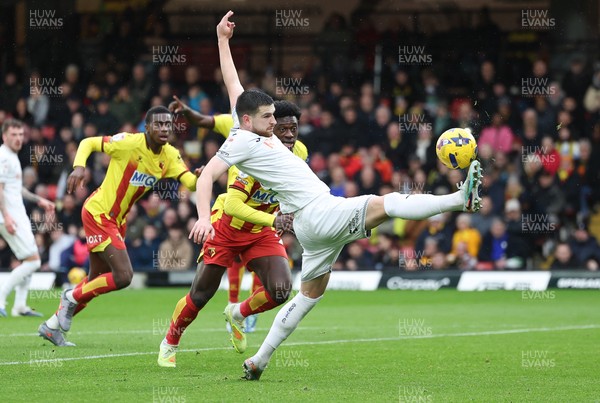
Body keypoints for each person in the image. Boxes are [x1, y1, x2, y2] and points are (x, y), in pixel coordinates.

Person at [189, 11, 483, 380]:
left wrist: (222, 40)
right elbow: (206, 179)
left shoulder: (250, 125)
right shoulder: (241, 145)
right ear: (251, 122)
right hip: (317, 211)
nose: (275, 125)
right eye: (268, 118)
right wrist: (203, 216)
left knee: (310, 294)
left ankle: (258, 361)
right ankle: (458, 200)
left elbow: (234, 86)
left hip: (309, 225)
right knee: (383, 203)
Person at [157, 99, 304, 368]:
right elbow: (234, 206)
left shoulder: (299, 152)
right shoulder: (249, 154)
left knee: (282, 290)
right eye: (282, 129)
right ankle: (170, 342)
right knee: (200, 295)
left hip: (260, 231)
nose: (289, 135)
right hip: (227, 227)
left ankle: (237, 312)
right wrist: (274, 219)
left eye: (293, 129)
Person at [38, 106, 200, 346]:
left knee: (96, 280)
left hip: (117, 221)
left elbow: (191, 182)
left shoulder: (170, 156)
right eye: (159, 124)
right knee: (124, 276)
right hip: (99, 213)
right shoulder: (128, 143)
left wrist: (203, 175)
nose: (164, 128)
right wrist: (79, 166)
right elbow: (88, 142)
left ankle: (51, 326)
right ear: (148, 127)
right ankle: (70, 295)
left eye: (168, 124)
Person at [0, 118, 56, 317]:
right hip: (9, 216)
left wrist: (39, 199)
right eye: (13, 135)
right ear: (4, 136)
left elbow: (16, 188)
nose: (18, 138)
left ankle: (20, 306)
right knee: (33, 261)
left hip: (16, 215)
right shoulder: (4, 157)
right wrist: (6, 216)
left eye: (21, 134)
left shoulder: (12, 156)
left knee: (30, 258)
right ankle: (2, 297)